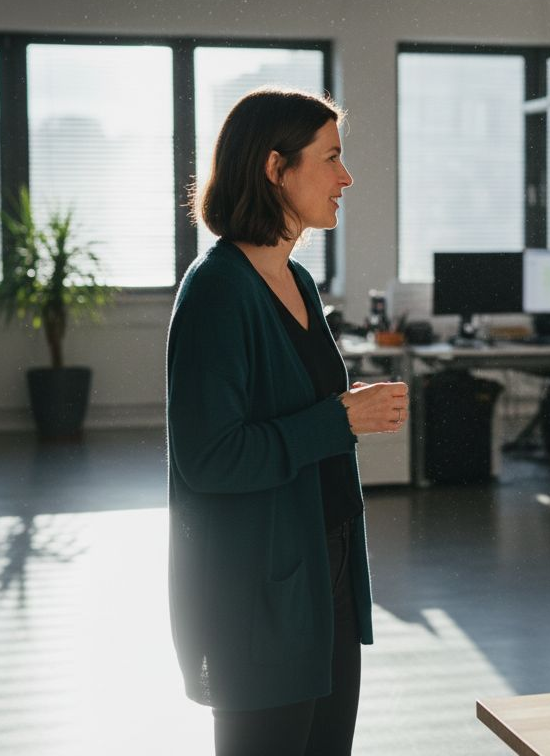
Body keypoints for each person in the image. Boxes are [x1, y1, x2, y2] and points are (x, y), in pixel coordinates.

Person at [166, 88, 407, 756]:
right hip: (259, 598)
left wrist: (347, 414)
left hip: (322, 575)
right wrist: (339, 421)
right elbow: (209, 458)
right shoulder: (216, 290)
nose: (346, 177)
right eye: (331, 158)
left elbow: (295, 413)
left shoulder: (297, 282)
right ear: (276, 169)